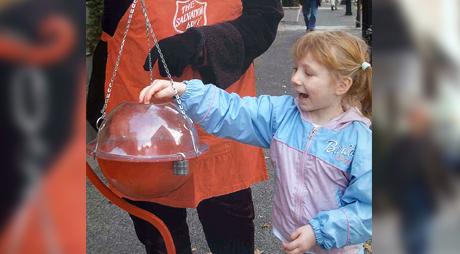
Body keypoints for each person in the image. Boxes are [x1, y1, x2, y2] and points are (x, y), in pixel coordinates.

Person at [86, 0, 284, 253]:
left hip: (220, 116)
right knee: (160, 232)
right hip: (140, 117)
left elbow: (263, 22)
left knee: (230, 223)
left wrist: (199, 43)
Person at [140, 31, 373, 254]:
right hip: (294, 243)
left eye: (308, 73)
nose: (295, 78)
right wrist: (184, 91)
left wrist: (319, 231)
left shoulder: (361, 142)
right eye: (295, 69)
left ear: (342, 85)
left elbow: (369, 208)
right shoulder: (282, 115)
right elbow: (235, 110)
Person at [387, 104, 455, 254]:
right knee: (408, 238)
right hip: (405, 196)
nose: (416, 123)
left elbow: (441, 171)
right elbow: (391, 173)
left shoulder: (432, 145)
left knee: (422, 237)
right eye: (414, 119)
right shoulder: (400, 145)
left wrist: (450, 193)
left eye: (420, 120)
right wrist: (392, 201)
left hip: (425, 195)